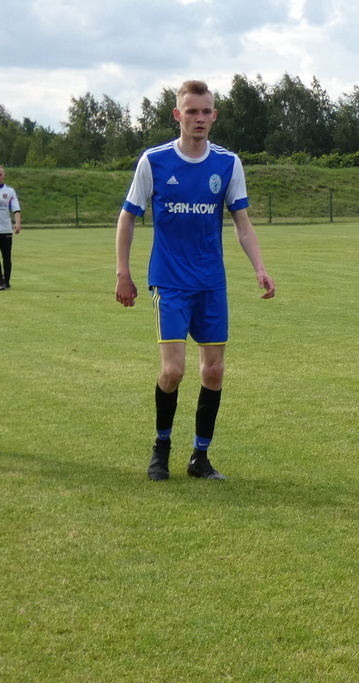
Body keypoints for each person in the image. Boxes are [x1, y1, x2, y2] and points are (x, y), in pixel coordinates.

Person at [116, 79, 275, 482]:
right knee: (173, 371)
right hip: (169, 282)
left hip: (210, 283)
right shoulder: (154, 161)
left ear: (214, 116)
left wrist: (259, 266)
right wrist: (123, 272)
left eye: (206, 112)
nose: (199, 118)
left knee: (214, 371)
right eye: (191, 111)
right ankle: (161, 449)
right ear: (178, 115)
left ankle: (200, 458)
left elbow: (242, 222)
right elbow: (128, 217)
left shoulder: (228, 164)